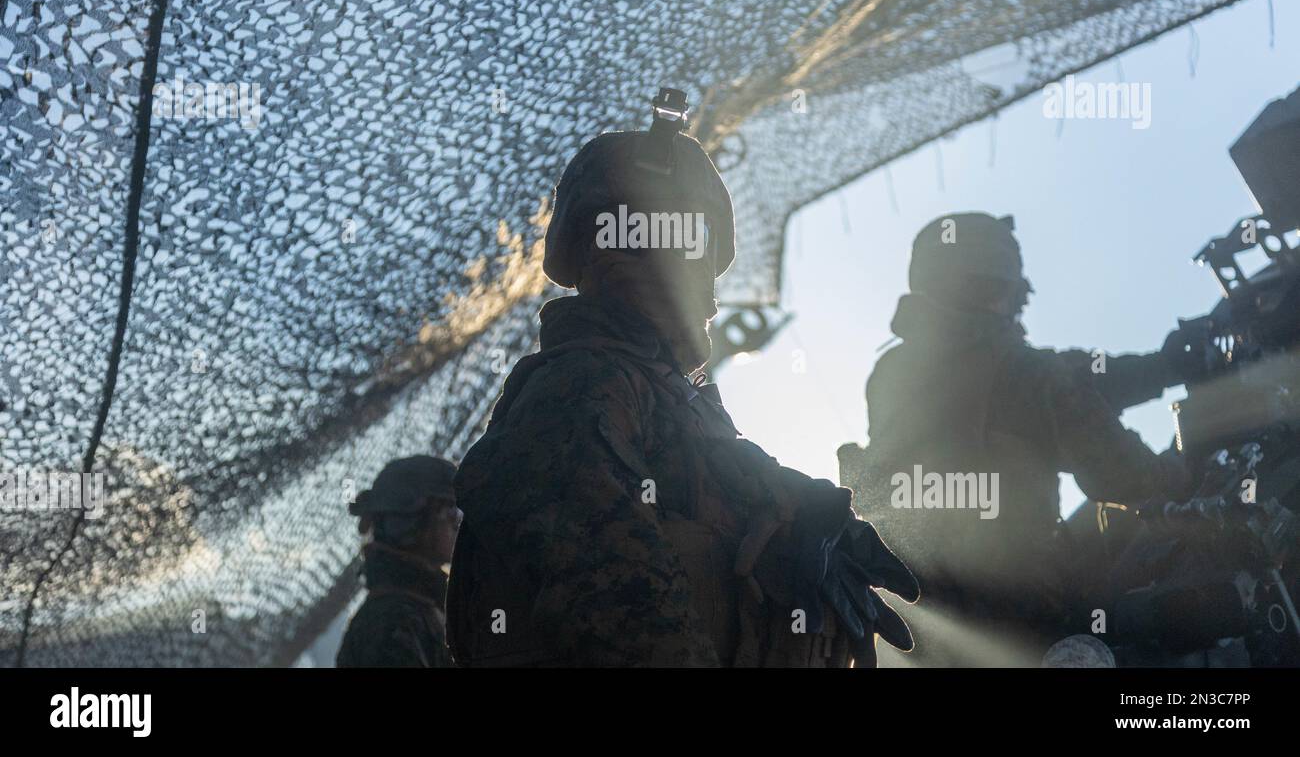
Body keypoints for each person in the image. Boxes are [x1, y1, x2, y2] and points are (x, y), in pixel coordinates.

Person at [447, 89, 917, 667]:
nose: (699, 285)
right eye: (671, 245)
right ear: (611, 253)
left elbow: (712, 503)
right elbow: (608, 596)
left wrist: (796, 507)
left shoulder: (675, 401)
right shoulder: (583, 385)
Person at [838, 212, 1193, 666]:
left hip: (915, 620)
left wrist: (1163, 367)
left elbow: (1075, 378)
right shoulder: (1029, 374)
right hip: (1023, 617)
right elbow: (1125, 476)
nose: (1021, 305)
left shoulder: (890, 373)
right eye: (1016, 292)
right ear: (994, 287)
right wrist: (1183, 465)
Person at [336, 455, 460, 667]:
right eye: (451, 510)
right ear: (413, 521)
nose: (457, 522)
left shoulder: (418, 608)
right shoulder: (391, 624)